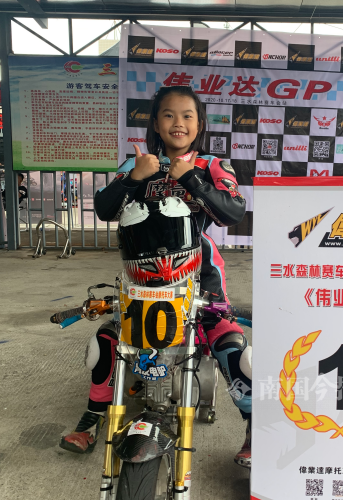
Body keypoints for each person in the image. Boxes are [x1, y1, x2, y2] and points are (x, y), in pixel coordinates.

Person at [60, 85, 252, 468]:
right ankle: (93, 418)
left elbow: (233, 213)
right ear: (156, 123)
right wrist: (134, 177)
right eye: (169, 115)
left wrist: (192, 179)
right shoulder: (137, 163)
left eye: (187, 115)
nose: (178, 123)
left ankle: (254, 428)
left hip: (200, 276)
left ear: (199, 124)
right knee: (107, 342)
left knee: (232, 345)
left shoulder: (213, 165)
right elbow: (104, 209)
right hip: (141, 277)